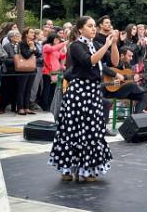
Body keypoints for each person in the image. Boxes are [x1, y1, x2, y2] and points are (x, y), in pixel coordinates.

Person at [49, 16, 116, 182]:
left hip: (93, 91)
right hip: (79, 91)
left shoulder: (96, 45)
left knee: (91, 130)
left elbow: (114, 61)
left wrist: (113, 44)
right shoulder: (76, 45)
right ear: (80, 29)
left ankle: (87, 169)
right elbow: (89, 61)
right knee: (72, 129)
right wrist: (106, 45)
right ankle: (66, 170)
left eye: (94, 26)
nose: (94, 29)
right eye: (90, 26)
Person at [16, 28, 41, 115]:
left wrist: (33, 47)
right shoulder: (22, 43)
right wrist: (31, 49)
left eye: (34, 32)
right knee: (21, 89)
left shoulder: (33, 42)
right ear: (26, 34)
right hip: (23, 69)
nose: (33, 34)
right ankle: (20, 108)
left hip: (32, 68)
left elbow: (38, 54)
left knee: (28, 89)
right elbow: (26, 55)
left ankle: (26, 107)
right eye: (31, 32)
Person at [41, 32, 67, 112]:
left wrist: (64, 49)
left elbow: (62, 56)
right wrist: (64, 43)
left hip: (56, 71)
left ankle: (50, 104)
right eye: (56, 39)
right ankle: (45, 105)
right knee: (47, 89)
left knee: (54, 89)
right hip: (48, 71)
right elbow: (52, 49)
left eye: (58, 40)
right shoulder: (46, 46)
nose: (58, 41)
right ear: (52, 39)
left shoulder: (57, 48)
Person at [0, 30, 20, 113]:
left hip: (18, 71)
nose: (18, 38)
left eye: (18, 36)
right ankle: (3, 107)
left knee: (16, 89)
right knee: (6, 90)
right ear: (11, 38)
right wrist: (17, 60)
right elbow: (5, 60)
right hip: (9, 71)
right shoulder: (6, 46)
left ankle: (14, 107)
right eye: (16, 36)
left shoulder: (19, 46)